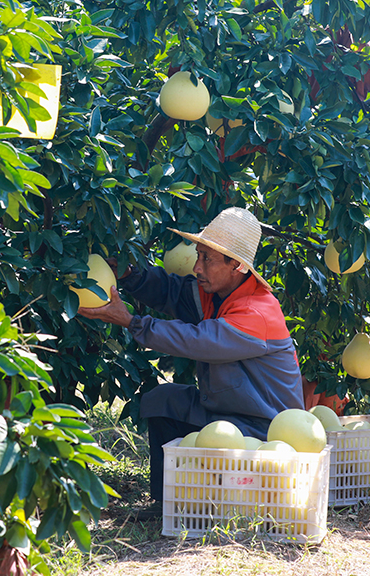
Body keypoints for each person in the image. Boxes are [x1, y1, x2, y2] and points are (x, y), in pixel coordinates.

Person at [77, 207, 305, 507]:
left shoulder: (257, 312)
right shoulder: (217, 292)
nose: (197, 267)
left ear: (236, 265)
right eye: (199, 256)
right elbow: (173, 293)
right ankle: (165, 504)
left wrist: (132, 322)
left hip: (262, 430)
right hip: (226, 414)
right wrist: (130, 276)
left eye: (207, 259)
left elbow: (199, 341)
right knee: (164, 400)